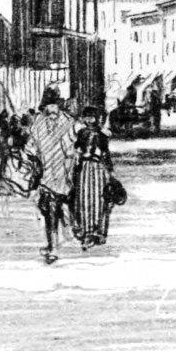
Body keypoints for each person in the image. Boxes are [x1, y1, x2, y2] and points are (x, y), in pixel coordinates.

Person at [24, 86, 80, 263]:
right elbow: (30, 147)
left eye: (55, 105)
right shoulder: (38, 124)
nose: (52, 109)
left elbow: (79, 144)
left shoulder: (70, 123)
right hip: (47, 176)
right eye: (49, 106)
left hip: (67, 174)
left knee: (69, 207)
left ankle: (71, 229)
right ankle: (53, 247)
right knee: (50, 212)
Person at [71, 106, 116, 250]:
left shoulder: (102, 135)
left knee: (99, 200)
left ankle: (98, 231)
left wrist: (110, 171)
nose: (90, 120)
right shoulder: (82, 133)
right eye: (87, 117)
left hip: (98, 169)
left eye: (92, 117)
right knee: (84, 200)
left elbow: (105, 154)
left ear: (97, 118)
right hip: (84, 168)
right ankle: (87, 232)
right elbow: (76, 150)